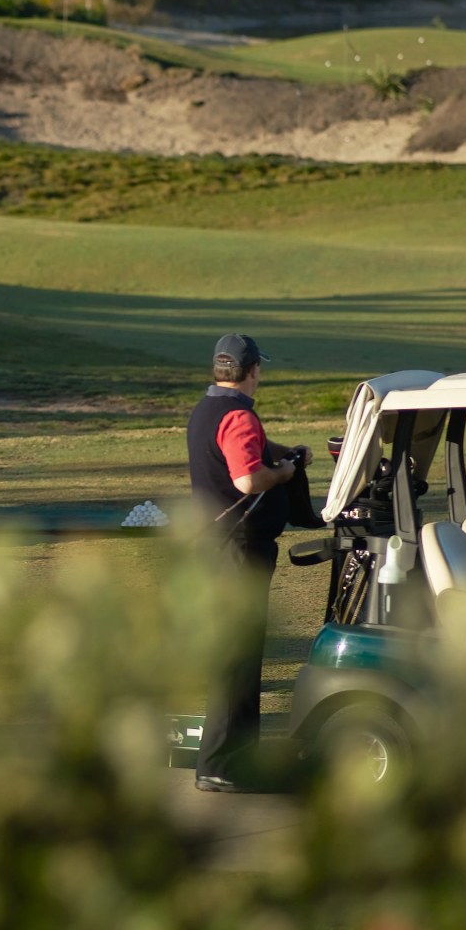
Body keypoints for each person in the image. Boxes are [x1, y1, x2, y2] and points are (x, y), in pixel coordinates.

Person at [184, 333, 312, 792]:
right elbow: (245, 478)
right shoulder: (239, 415)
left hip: (217, 548)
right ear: (253, 370)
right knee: (237, 659)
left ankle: (235, 759)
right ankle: (221, 764)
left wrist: (279, 450)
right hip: (238, 550)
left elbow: (244, 445)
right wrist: (283, 472)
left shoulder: (208, 410)